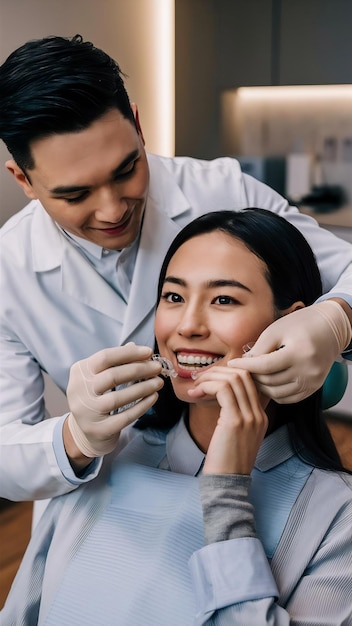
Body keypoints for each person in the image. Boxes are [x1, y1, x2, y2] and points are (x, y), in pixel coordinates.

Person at [0, 35, 351, 504]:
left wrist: (337, 318)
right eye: (75, 195)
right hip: (108, 497)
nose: (110, 210)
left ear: (139, 127)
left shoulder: (223, 190)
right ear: (22, 179)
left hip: (267, 475)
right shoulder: (9, 268)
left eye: (126, 170)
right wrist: (75, 437)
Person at [2, 209, 351, 625]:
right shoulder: (107, 457)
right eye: (173, 296)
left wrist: (226, 492)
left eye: (224, 299)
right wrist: (76, 438)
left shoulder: (338, 515)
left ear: (291, 323)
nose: (187, 325)